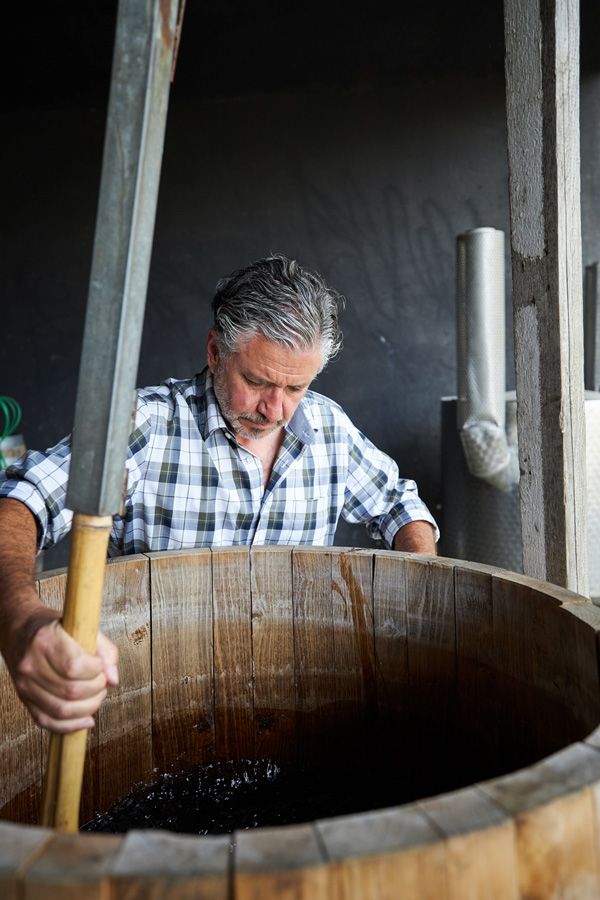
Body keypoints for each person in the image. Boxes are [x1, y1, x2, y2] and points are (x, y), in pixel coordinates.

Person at [0, 254, 437, 734]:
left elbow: (399, 504)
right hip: (154, 709)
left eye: (296, 387)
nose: (275, 410)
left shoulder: (329, 426)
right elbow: (23, 500)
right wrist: (19, 619)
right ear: (214, 352)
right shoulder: (145, 427)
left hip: (298, 709)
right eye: (256, 381)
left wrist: (418, 607)